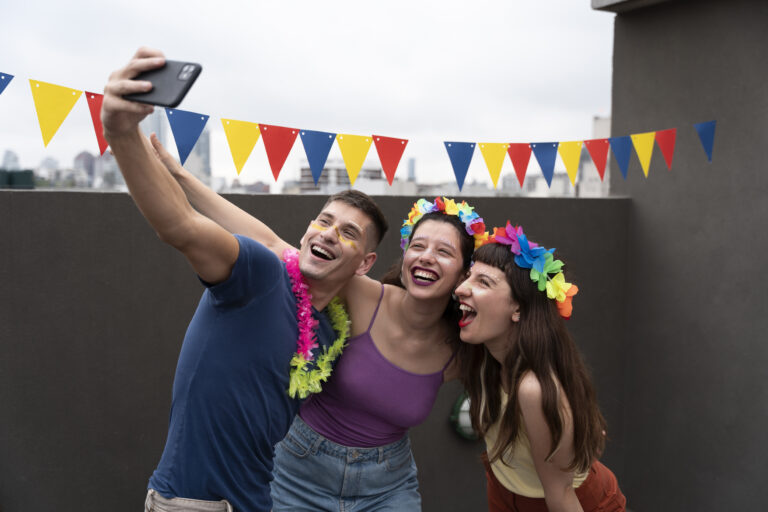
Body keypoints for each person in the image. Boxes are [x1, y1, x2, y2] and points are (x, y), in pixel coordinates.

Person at [101, 47, 388, 512]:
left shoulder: (334, 330)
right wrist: (119, 130)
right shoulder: (259, 274)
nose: (328, 233)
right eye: (322, 220)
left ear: (364, 263)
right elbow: (180, 228)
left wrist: (187, 180)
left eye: (348, 233)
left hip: (257, 500)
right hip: (192, 502)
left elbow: (275, 239)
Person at [150, 139, 487, 510]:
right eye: (419, 246)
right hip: (300, 471)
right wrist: (180, 175)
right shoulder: (358, 293)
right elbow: (269, 243)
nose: (427, 258)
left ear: (463, 273)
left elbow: (517, 331)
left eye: (444, 252)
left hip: (387, 485)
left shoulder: (461, 346)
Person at [454, 222, 626, 512]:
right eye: (468, 277)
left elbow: (561, 496)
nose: (460, 289)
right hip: (505, 494)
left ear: (519, 308)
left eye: (484, 282)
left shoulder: (534, 388)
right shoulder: (485, 356)